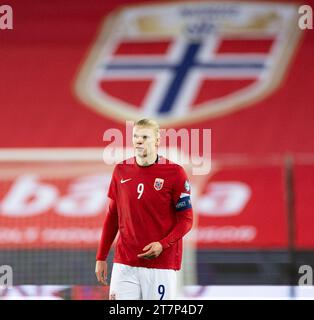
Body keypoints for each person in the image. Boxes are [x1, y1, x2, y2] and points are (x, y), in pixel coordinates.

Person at [95, 119, 193, 300]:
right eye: (135, 136)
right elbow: (112, 216)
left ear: (157, 141)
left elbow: (186, 220)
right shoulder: (121, 170)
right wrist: (101, 256)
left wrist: (162, 245)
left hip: (161, 266)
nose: (138, 141)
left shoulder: (175, 173)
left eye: (145, 137)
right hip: (125, 264)